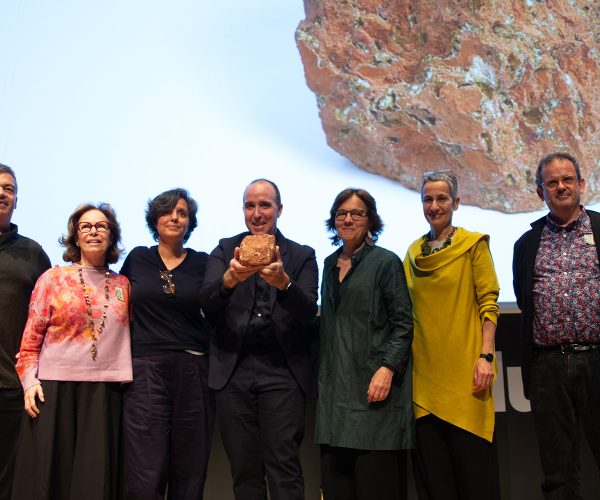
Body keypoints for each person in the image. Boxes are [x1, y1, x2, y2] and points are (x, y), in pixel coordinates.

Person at [200, 178, 318, 500]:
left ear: (279, 209)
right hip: (233, 371)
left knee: (284, 465)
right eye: (250, 205)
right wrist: (228, 280)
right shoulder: (226, 250)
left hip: (282, 371)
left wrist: (285, 284)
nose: (257, 213)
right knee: (244, 470)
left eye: (264, 205)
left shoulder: (302, 255)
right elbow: (206, 304)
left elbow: (310, 312)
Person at [11, 202, 131, 500]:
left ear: (111, 236)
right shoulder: (52, 278)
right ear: (75, 237)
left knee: (95, 482)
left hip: (104, 392)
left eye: (101, 226)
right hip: (53, 390)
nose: (93, 231)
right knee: (49, 479)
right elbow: (29, 340)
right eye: (86, 226)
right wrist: (29, 383)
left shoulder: (123, 284)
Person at [404, 169, 501, 500]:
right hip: (424, 384)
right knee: (436, 486)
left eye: (442, 198)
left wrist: (486, 356)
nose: (434, 205)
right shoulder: (412, 254)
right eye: (428, 199)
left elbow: (489, 304)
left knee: (476, 483)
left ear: (456, 202)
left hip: (466, 381)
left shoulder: (473, 245)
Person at [316, 188, 414, 500]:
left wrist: (387, 369)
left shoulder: (386, 262)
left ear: (370, 220)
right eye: (341, 213)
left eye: (356, 213)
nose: (348, 218)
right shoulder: (330, 264)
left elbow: (403, 324)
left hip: (374, 399)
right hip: (335, 403)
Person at [513, 152, 600, 498]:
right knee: (558, 473)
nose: (560, 187)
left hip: (597, 359)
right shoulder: (526, 243)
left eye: (567, 180)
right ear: (540, 193)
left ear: (580, 184)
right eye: (551, 182)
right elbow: (523, 298)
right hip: (547, 366)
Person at [120, 188, 215, 500]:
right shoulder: (137, 258)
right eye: (168, 211)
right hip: (146, 370)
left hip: (193, 368)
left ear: (190, 222)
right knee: (145, 471)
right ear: (154, 218)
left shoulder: (203, 262)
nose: (175, 217)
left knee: (190, 469)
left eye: (182, 213)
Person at [0, 164, 50, 500]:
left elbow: (52, 320)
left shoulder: (32, 253)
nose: (2, 193)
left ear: (16, 200)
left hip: (10, 387)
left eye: (8, 188)